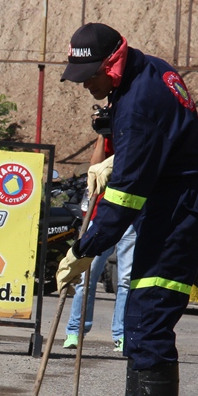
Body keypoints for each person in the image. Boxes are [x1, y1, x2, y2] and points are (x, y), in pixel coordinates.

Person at [56, 22, 198, 396]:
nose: (85, 84)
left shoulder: (140, 101)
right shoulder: (148, 72)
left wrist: (86, 249)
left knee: (149, 318)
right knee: (140, 313)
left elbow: (127, 194)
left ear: (112, 63)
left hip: (177, 214)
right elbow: (160, 145)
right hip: (168, 206)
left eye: (89, 75)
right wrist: (116, 157)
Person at [63, 136, 135, 353]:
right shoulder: (112, 132)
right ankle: (75, 331)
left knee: (126, 279)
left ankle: (122, 334)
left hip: (132, 214)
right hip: (103, 214)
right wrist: (103, 135)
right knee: (88, 275)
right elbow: (94, 167)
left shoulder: (138, 131)